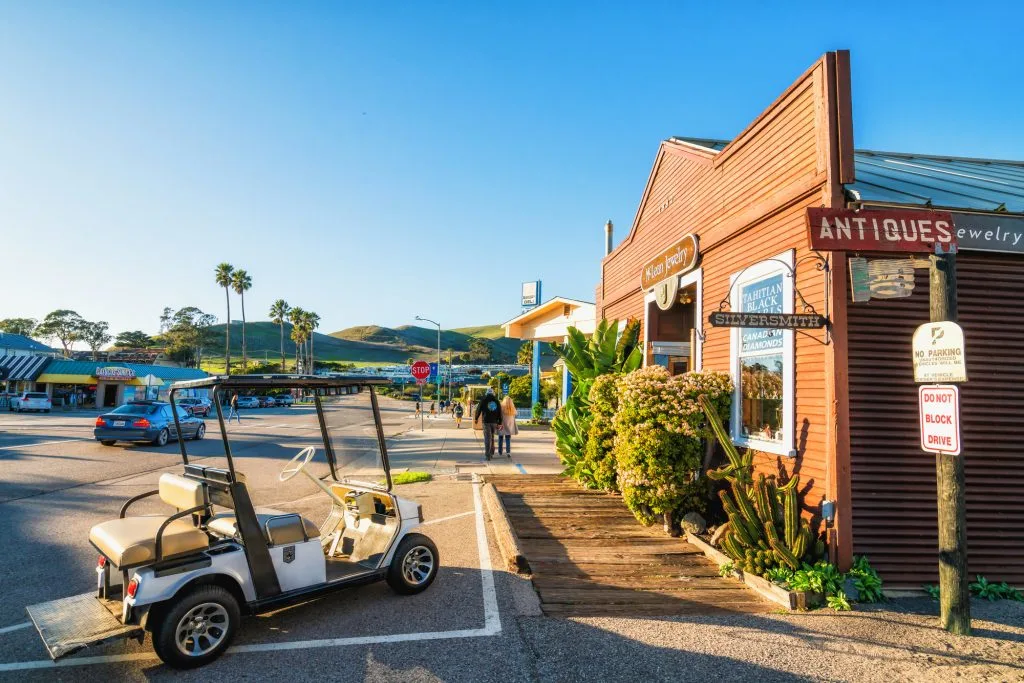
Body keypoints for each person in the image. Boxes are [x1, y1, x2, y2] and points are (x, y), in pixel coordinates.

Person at [475, 388, 503, 460]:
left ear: (486, 393)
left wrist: (476, 418)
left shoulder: (483, 400)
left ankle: (488, 455)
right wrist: (500, 422)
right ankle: (492, 452)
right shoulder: (496, 401)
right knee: (492, 437)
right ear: (493, 393)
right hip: (494, 422)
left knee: (487, 438)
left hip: (486, 421)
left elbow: (478, 410)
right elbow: (500, 412)